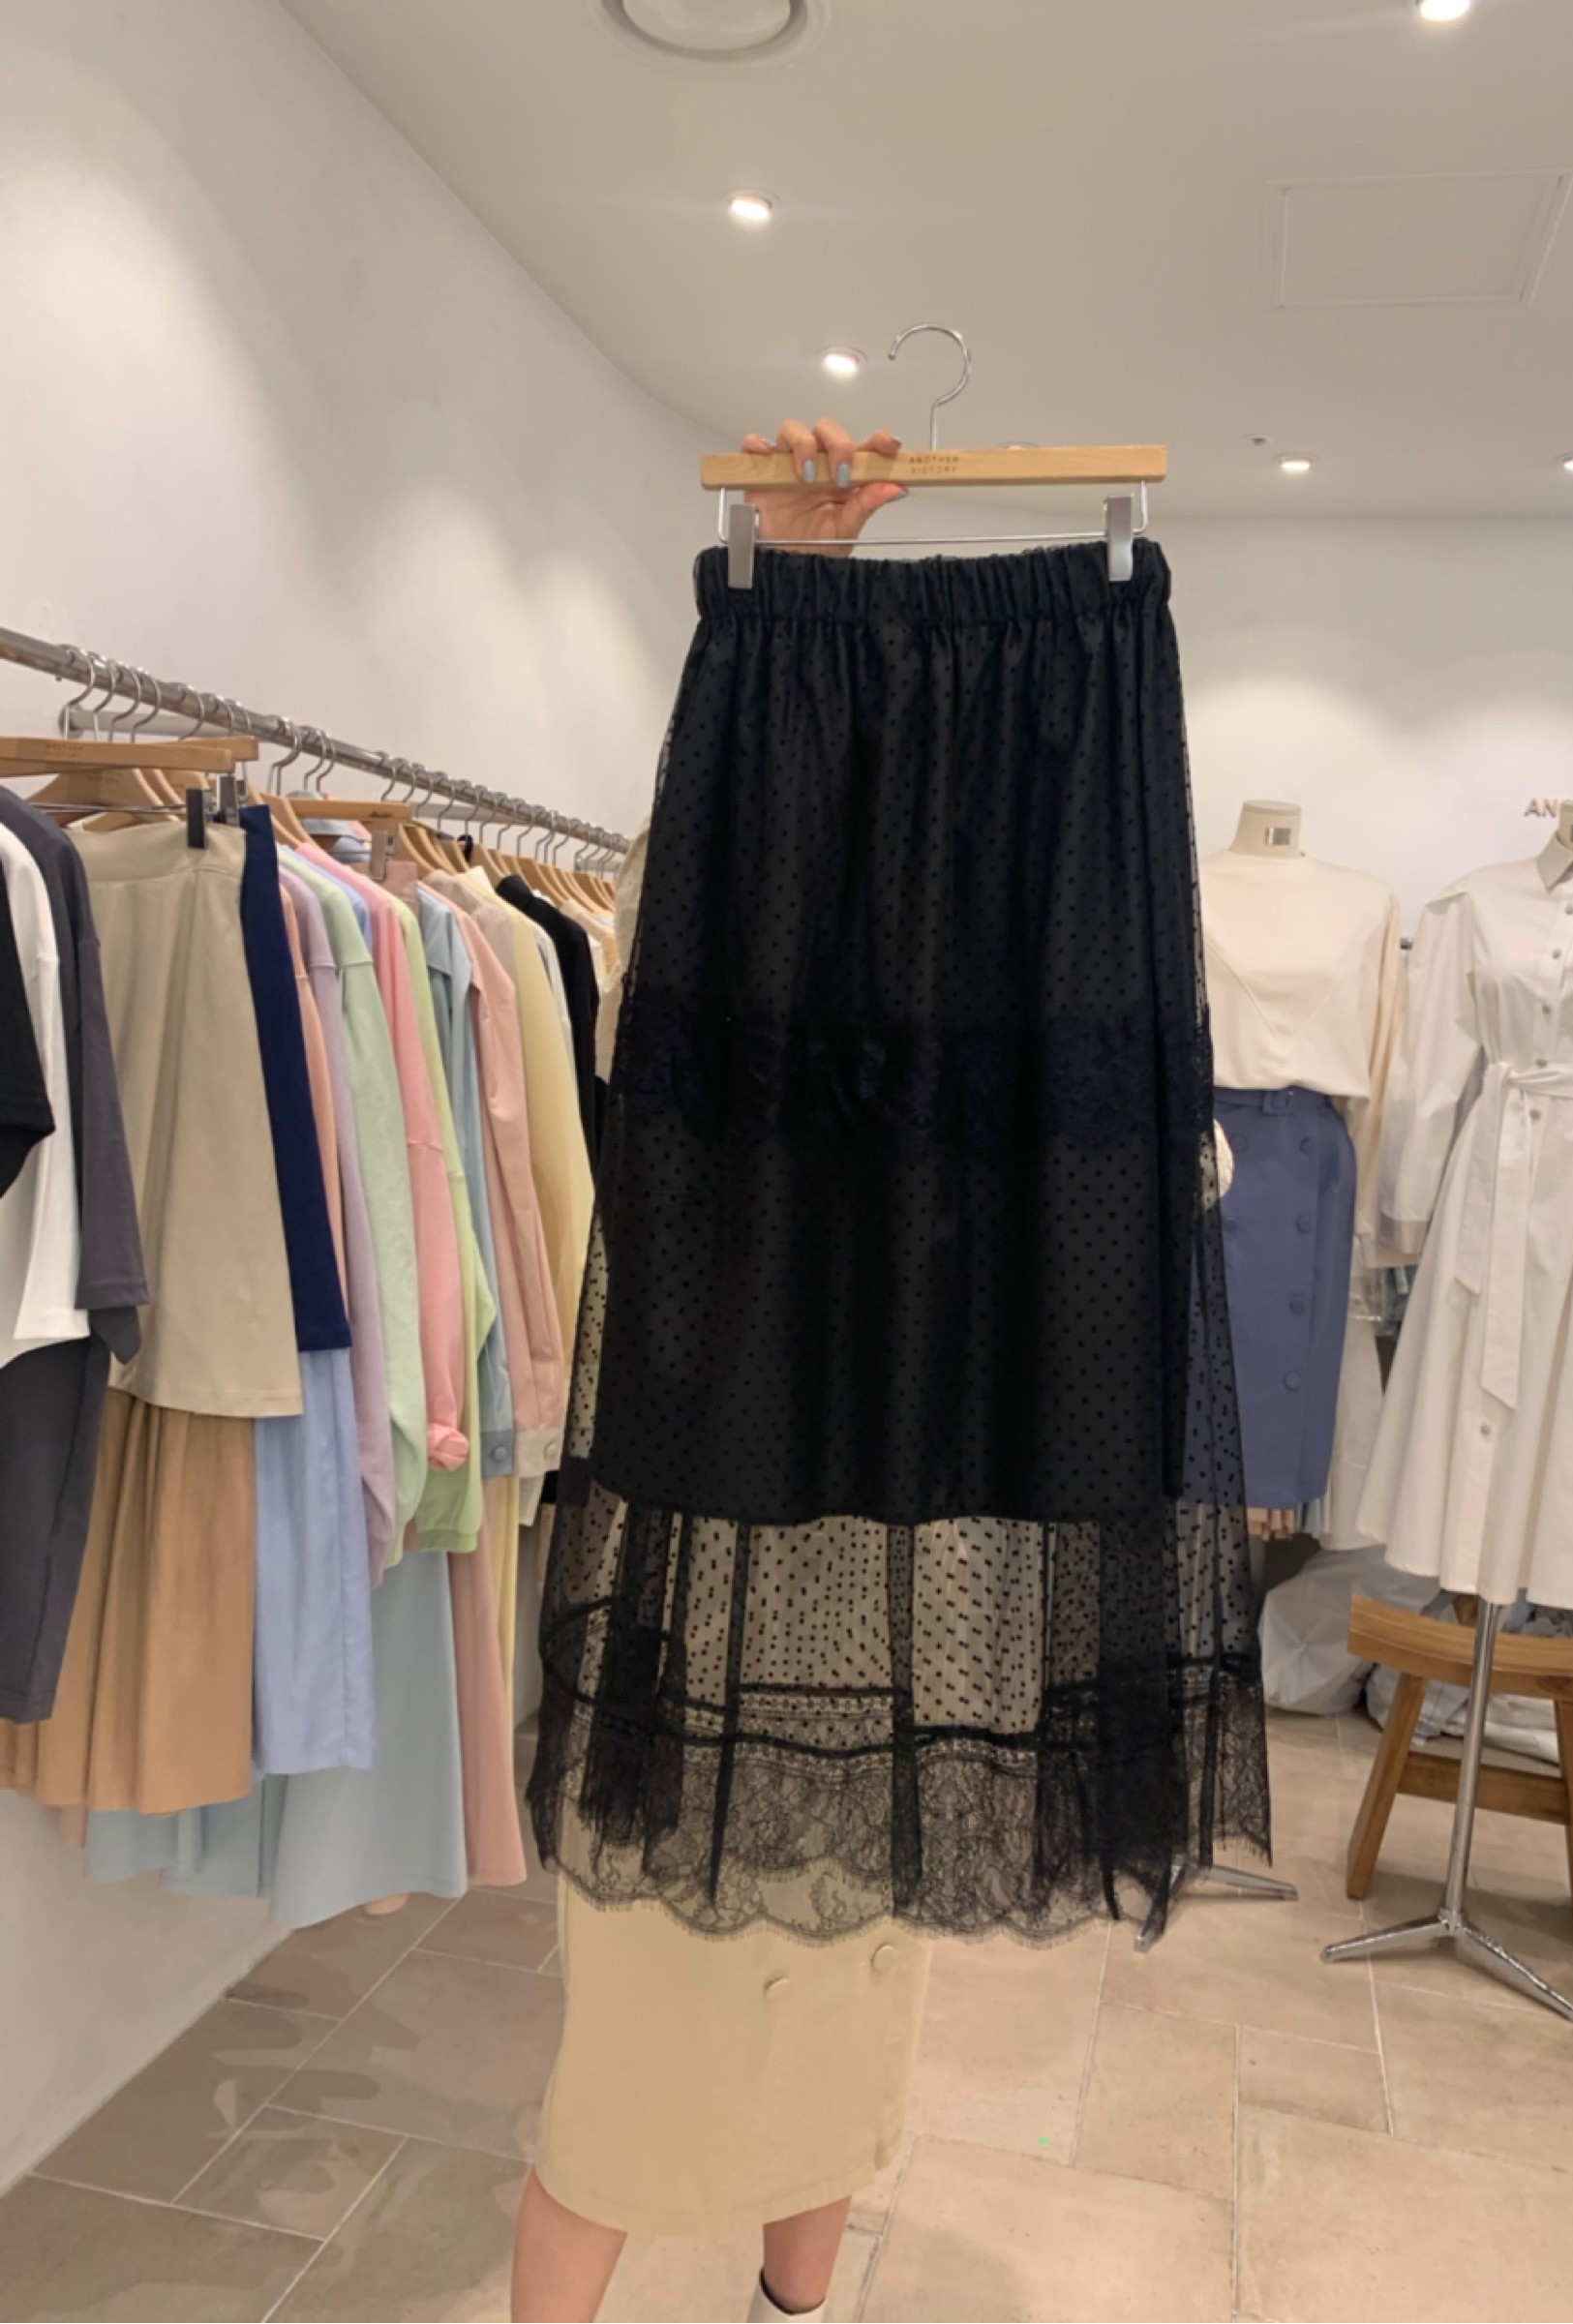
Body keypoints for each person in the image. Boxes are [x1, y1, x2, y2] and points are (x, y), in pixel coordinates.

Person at [511, 420, 917, 2324]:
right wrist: (786, 591)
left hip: (880, 1564)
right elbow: (710, 874)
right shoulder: (696, 987)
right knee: (647, 2007)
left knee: (843, 1987)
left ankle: (793, 2303)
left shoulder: (972, 1028)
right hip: (693, 1536)